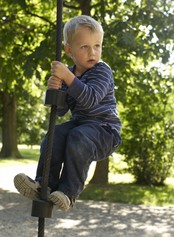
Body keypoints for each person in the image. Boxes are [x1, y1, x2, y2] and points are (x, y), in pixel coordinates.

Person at [14, 15, 122, 211]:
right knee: (54, 135)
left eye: (97, 46)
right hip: (80, 126)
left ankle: (68, 193)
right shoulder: (69, 74)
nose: (93, 52)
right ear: (69, 50)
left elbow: (90, 98)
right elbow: (61, 110)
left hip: (105, 131)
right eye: (84, 47)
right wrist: (55, 89)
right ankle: (44, 185)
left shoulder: (102, 70)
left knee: (78, 136)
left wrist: (68, 78)